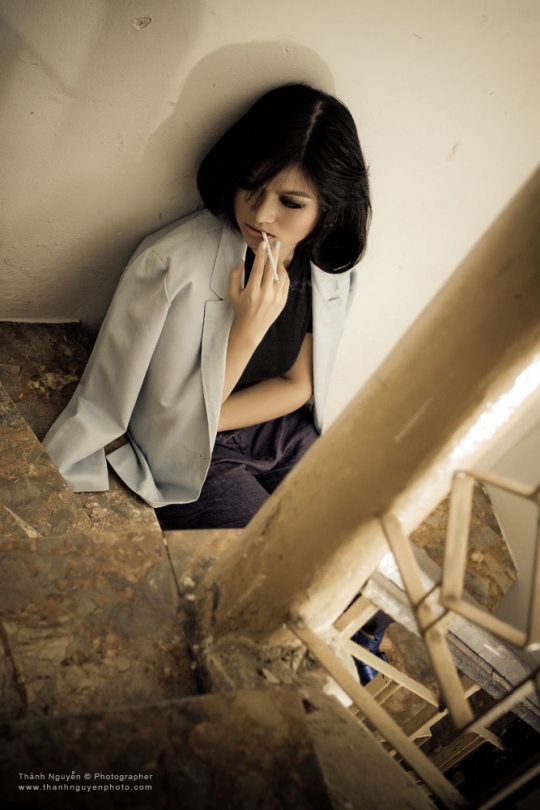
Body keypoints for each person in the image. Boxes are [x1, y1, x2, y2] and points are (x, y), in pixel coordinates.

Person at [43, 83, 371, 530]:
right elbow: (163, 418)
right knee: (261, 557)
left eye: (291, 202)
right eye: (251, 186)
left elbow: (298, 384)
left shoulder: (326, 270)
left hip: (283, 430)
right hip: (200, 453)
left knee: (354, 538)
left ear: (329, 208)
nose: (261, 214)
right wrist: (247, 330)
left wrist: (220, 420)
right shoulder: (171, 264)